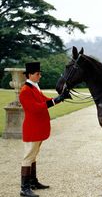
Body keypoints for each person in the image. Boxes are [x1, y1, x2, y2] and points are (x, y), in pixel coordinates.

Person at [19, 62, 69, 197]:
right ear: (30, 75)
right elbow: (35, 107)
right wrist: (55, 101)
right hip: (32, 128)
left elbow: (44, 100)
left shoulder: (34, 87)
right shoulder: (25, 91)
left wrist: (60, 98)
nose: (40, 76)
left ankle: (33, 182)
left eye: (39, 73)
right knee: (28, 157)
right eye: (37, 74)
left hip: (38, 127)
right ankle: (24, 188)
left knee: (33, 156)